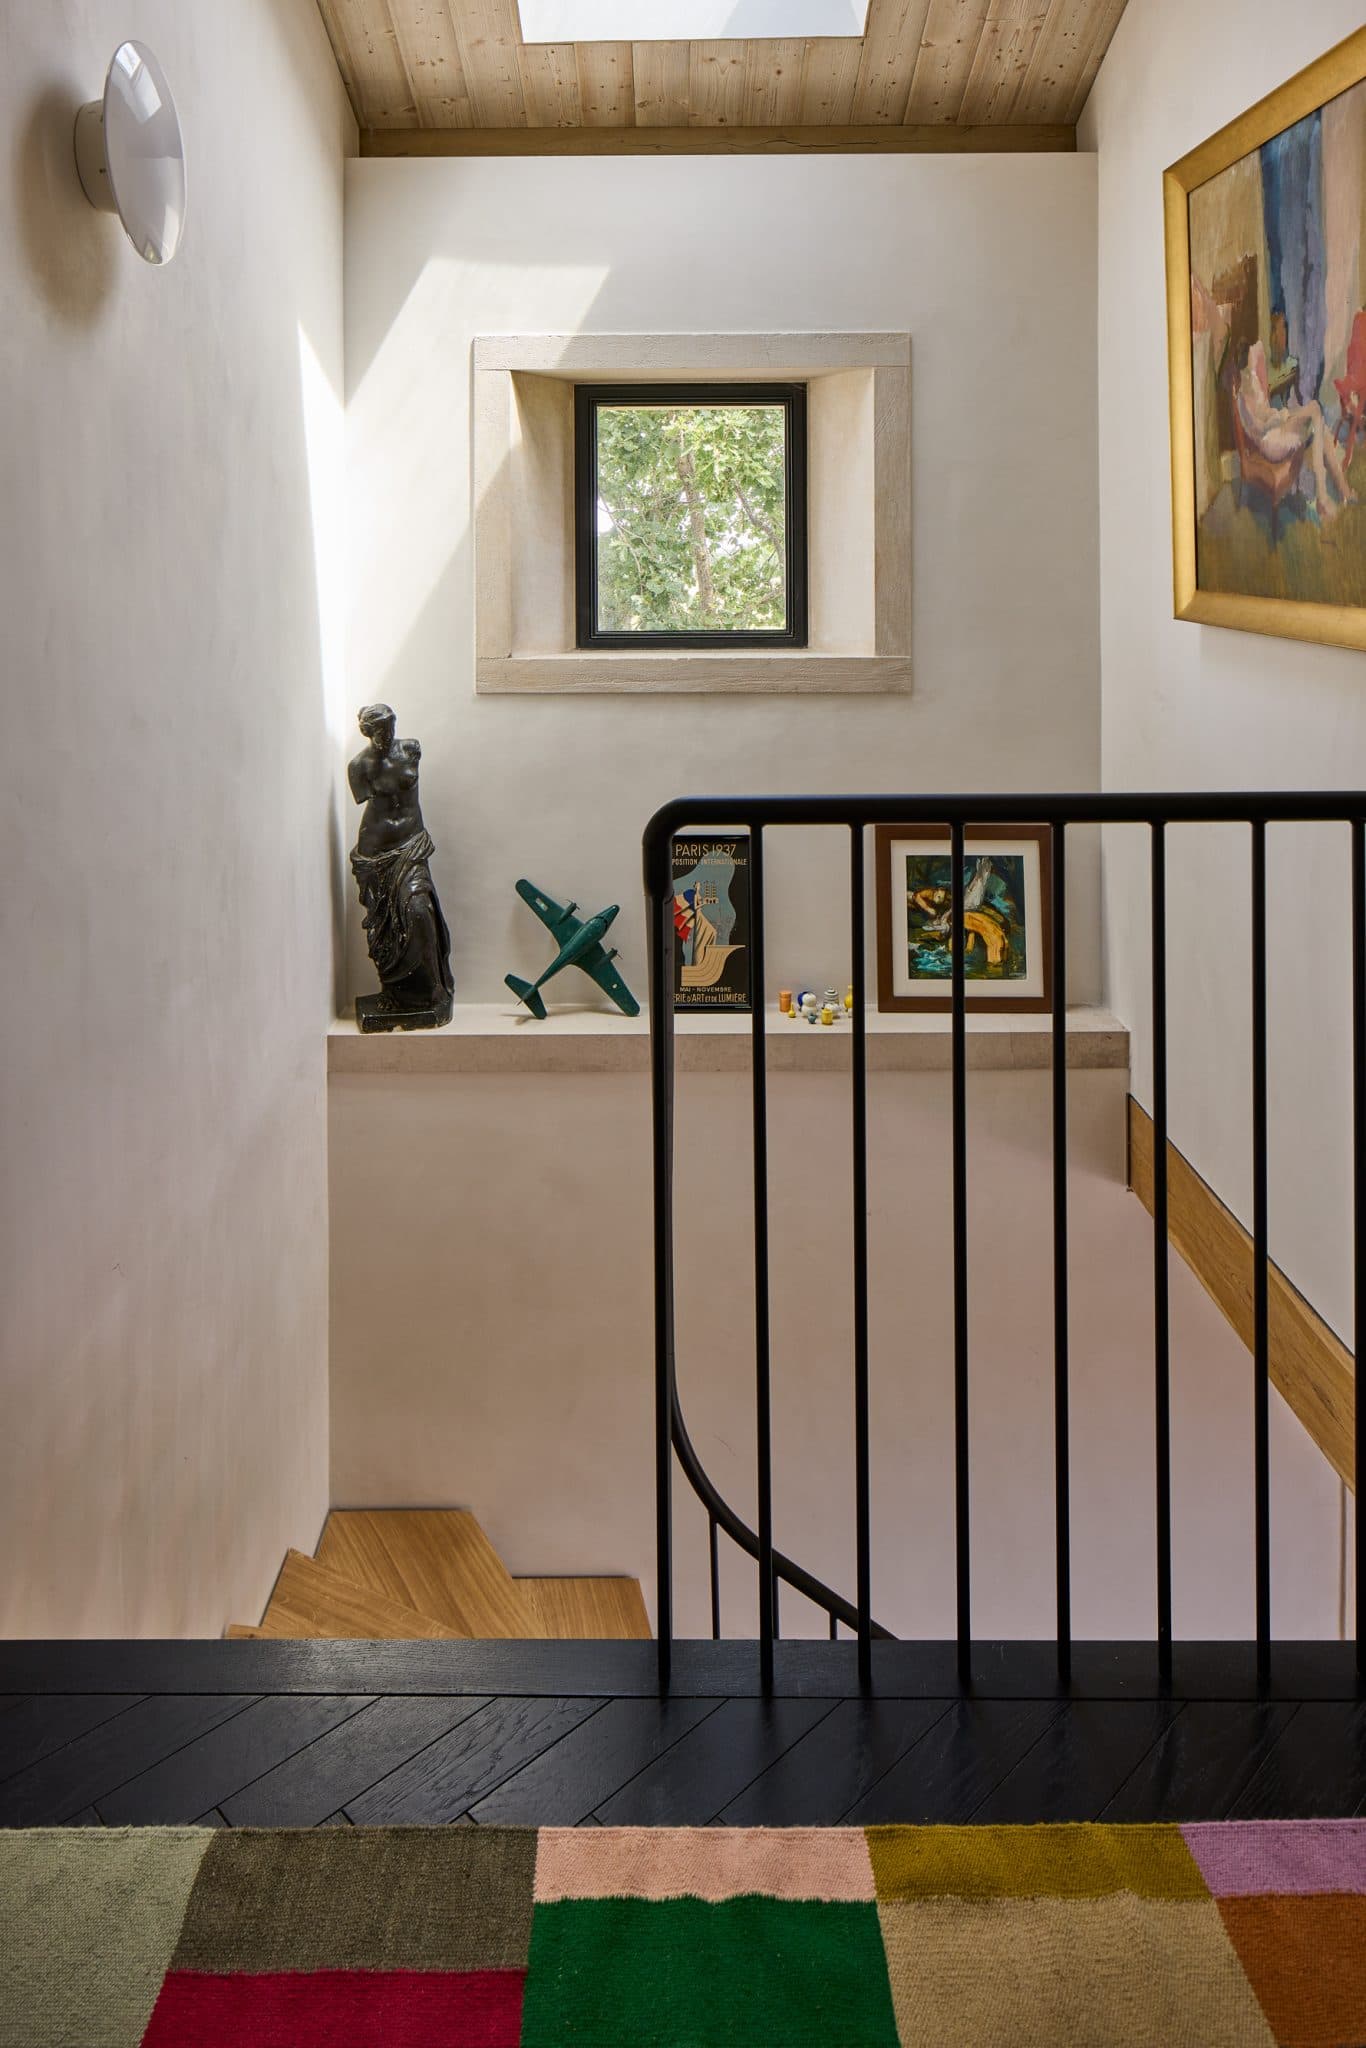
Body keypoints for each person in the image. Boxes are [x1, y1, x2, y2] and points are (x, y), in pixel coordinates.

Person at [348, 703, 454, 1026]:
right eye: (379, 731)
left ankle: (430, 990)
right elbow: (369, 807)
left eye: (390, 728)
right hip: (377, 853)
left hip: (410, 847)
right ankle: (394, 993)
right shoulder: (359, 767)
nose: (387, 736)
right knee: (384, 924)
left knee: (419, 911)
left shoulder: (411, 750)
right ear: (367, 732)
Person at [1235, 339, 1356, 524]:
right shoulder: (1242, 396)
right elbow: (1258, 429)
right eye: (1252, 358)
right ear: (1245, 362)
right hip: (1270, 442)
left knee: (1321, 428)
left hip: (1276, 428)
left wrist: (1280, 415)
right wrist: (1280, 418)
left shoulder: (1253, 383)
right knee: (1315, 409)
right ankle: (1326, 497)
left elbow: (1265, 411)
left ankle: (1339, 491)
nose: (1256, 362)